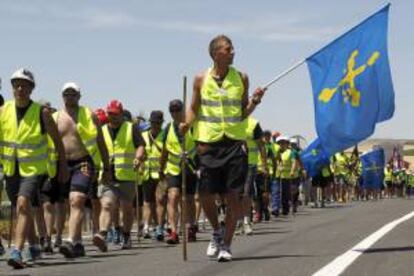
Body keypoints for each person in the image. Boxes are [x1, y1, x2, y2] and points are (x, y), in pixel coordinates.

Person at [180, 34, 265, 261]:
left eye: (232, 48)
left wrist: (254, 102)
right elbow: (193, 108)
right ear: (215, 53)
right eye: (228, 49)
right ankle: (216, 232)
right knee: (205, 194)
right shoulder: (200, 79)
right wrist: (186, 124)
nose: (233, 51)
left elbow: (241, 113)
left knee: (234, 197)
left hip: (235, 145)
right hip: (208, 146)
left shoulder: (242, 78)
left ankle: (226, 245)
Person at [0, 69, 68, 268]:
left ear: (31, 89)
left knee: (23, 205)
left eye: (24, 85)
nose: (20, 88)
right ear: (12, 88)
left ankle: (17, 251)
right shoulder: (3, 112)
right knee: (23, 210)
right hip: (11, 169)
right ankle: (35, 245)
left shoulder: (42, 112)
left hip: (33, 171)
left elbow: (57, 142)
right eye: (16, 85)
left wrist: (62, 165)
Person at [54, 82, 111, 258]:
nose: (70, 97)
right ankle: (78, 243)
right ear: (62, 96)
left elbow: (101, 142)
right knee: (68, 203)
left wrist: (106, 167)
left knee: (77, 200)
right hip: (63, 164)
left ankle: (70, 241)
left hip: (84, 162)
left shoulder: (89, 114)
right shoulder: (55, 117)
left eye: (73, 94)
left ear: (79, 96)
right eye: (66, 94)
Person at [93, 100, 145, 251]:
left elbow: (140, 145)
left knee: (127, 208)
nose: (112, 116)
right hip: (108, 176)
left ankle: (127, 235)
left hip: (127, 176)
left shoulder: (131, 128)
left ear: (121, 114)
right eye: (109, 113)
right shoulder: (101, 130)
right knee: (107, 204)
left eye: (115, 114)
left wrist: (138, 157)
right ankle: (102, 234)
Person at [159, 99, 198, 244]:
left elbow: (200, 145)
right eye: (172, 111)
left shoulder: (192, 125)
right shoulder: (168, 128)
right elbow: (164, 151)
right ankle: (174, 231)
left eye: (178, 110)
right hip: (174, 169)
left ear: (183, 110)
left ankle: (191, 226)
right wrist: (161, 168)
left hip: (190, 167)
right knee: (173, 196)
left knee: (188, 199)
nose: (175, 113)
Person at [236, 116, 265, 235]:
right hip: (234, 164)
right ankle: (238, 221)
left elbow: (261, 145)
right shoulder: (229, 121)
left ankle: (247, 221)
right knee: (236, 194)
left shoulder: (253, 124)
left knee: (246, 192)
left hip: (250, 164)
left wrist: (263, 164)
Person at [140, 111, 165, 239]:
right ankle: (146, 227)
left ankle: (160, 227)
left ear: (161, 123)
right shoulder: (143, 135)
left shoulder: (165, 135)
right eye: (153, 122)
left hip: (161, 174)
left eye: (157, 122)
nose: (155, 125)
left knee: (160, 200)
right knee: (147, 202)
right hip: (147, 174)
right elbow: (139, 151)